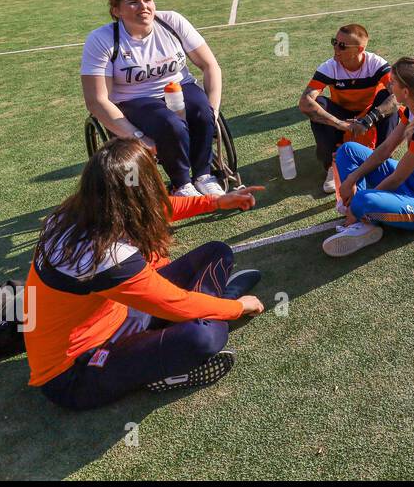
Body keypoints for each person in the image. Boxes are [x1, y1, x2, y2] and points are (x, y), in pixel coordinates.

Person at [24, 138, 265, 410]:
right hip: (76, 373)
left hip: (118, 317)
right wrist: (235, 307)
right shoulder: (105, 256)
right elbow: (177, 304)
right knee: (203, 337)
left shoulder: (75, 212)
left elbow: (151, 210)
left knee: (217, 253)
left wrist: (216, 202)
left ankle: (192, 323)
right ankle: (208, 316)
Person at [81, 0, 226, 198]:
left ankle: (203, 175)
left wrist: (213, 110)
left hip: (179, 86)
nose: (143, 7)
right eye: (133, 2)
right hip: (134, 99)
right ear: (117, 11)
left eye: (147, 0)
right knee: (171, 124)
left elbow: (210, 66)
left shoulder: (172, 22)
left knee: (202, 113)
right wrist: (138, 137)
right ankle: (181, 183)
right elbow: (97, 100)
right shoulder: (102, 40)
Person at [323, 57, 414, 257]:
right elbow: (386, 148)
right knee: (349, 151)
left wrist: (359, 205)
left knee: (364, 200)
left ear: (405, 92)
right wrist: (352, 179)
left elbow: (398, 177)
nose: (389, 85)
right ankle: (361, 215)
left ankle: (362, 218)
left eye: (393, 82)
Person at [298, 22, 399, 194]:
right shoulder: (330, 67)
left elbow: (398, 97)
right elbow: (305, 102)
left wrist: (368, 120)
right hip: (342, 114)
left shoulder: (376, 63)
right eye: (334, 42)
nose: (336, 48)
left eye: (342, 45)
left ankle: (382, 161)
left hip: (369, 113)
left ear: (359, 50)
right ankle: (332, 166)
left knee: (389, 102)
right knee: (319, 104)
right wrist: (339, 123)